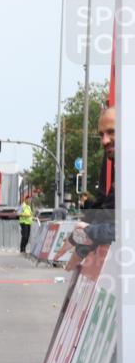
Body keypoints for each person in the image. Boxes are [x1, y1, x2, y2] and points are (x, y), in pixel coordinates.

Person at [70, 106, 116, 256]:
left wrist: (89, 230)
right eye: (101, 135)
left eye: (112, 132)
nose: (104, 141)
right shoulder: (119, 169)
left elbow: (124, 229)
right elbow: (106, 214)